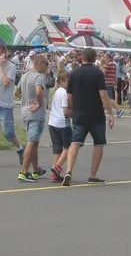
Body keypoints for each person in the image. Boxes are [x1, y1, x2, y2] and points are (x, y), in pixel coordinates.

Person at [62, 48, 116, 186]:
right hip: (96, 114)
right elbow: (103, 94)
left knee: (75, 142)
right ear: (93, 58)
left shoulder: (74, 73)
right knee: (98, 144)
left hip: (79, 113)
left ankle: (68, 170)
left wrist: (71, 109)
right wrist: (110, 113)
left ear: (82, 57)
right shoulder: (97, 73)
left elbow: (69, 96)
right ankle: (92, 175)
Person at [17, 54, 50, 183]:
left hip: (25, 111)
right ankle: (24, 171)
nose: (47, 67)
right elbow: (38, 91)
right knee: (31, 141)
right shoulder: (38, 77)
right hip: (35, 114)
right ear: (40, 63)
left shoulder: (25, 75)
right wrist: (38, 103)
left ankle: (36, 169)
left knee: (35, 141)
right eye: (46, 64)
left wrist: (26, 100)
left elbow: (17, 91)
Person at [48, 70, 72, 183]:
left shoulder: (57, 91)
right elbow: (65, 111)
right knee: (69, 146)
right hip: (62, 123)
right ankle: (57, 166)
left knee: (57, 148)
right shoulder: (64, 93)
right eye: (68, 81)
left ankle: (55, 175)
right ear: (62, 81)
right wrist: (73, 114)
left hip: (52, 122)